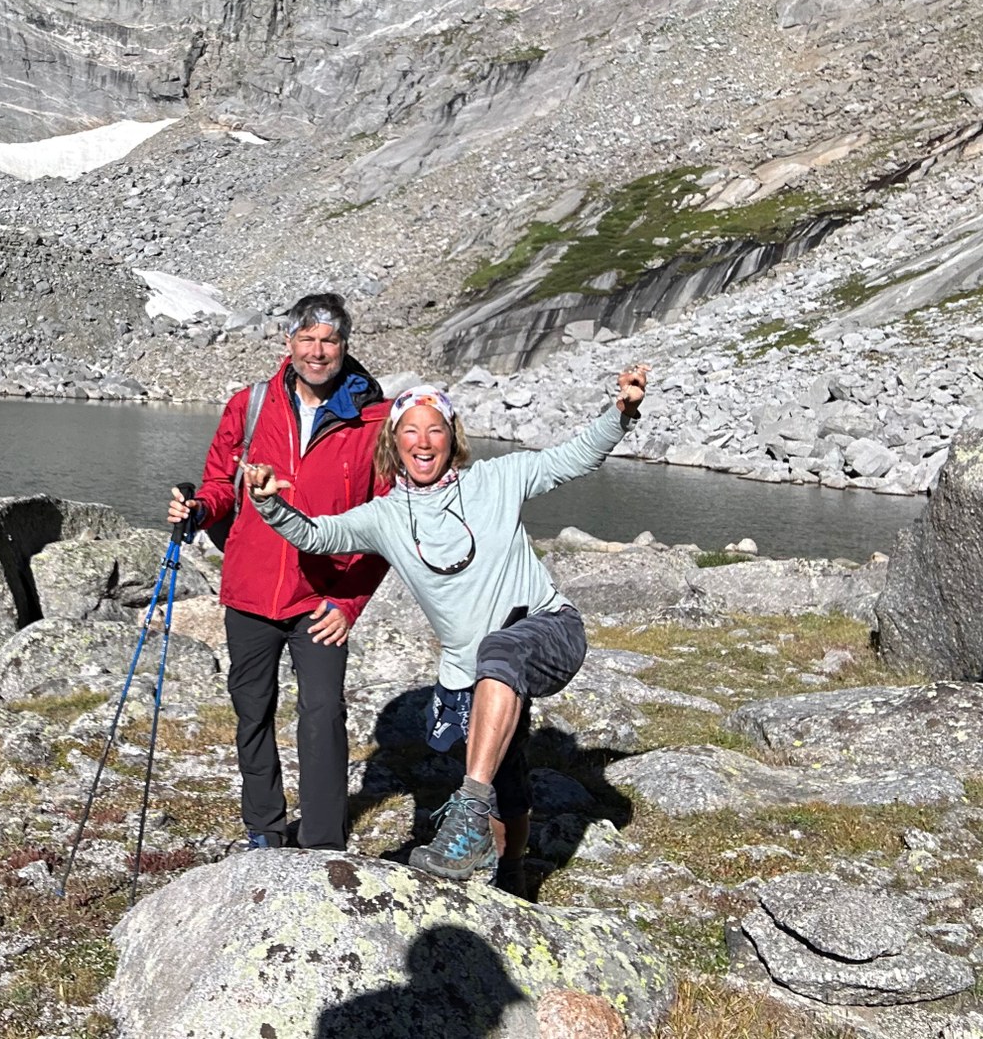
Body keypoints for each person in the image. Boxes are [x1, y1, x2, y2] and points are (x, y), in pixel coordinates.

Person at [245, 366, 649, 885]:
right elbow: (317, 535)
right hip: (471, 669)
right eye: (410, 430)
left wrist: (622, 412)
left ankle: (468, 811)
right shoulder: (386, 516)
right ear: (394, 443)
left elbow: (575, 456)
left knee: (499, 657)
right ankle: (511, 873)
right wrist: (269, 503)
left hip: (549, 628)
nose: (423, 441)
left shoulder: (498, 479)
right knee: (501, 767)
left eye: (435, 429)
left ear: (452, 438)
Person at [166, 292, 390, 852]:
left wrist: (349, 603)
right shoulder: (250, 405)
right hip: (250, 589)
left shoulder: (374, 419)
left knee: (322, 713)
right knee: (252, 712)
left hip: (323, 597)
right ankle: (264, 828)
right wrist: (198, 511)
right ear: (288, 343)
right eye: (306, 339)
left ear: (345, 346)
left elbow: (388, 521)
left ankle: (321, 842)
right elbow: (220, 486)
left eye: (329, 340)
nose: (317, 351)